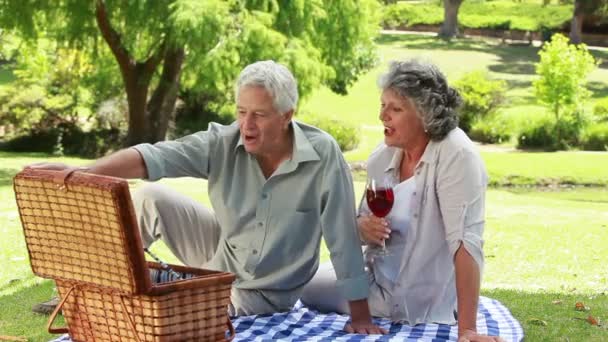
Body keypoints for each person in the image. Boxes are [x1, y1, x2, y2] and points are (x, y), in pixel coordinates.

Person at [27, 60, 385, 334]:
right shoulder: (223, 142)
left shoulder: (323, 155)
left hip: (261, 292)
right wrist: (85, 173)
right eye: (242, 112)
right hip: (221, 255)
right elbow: (153, 156)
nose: (247, 125)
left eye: (259, 115)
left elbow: (341, 236)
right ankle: (85, 293)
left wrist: (360, 316)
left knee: (179, 317)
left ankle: (123, 305)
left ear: (287, 116)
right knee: (151, 195)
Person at [301, 60, 505, 342]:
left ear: (425, 115)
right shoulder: (383, 155)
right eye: (382, 105)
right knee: (306, 284)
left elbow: (465, 243)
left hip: (424, 299)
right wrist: (362, 226)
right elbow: (358, 224)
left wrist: (467, 330)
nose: (382, 115)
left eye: (395, 108)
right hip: (375, 283)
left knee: (313, 286)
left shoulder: (457, 155)